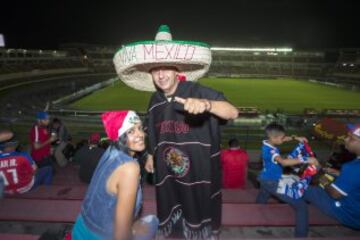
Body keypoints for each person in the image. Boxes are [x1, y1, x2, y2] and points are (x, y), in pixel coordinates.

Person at [114, 25, 238, 238]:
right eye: (155, 70)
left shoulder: (197, 90)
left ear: (177, 70)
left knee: (200, 226)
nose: (160, 75)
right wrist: (152, 154)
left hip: (200, 176)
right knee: (176, 226)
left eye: (165, 68)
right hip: (170, 177)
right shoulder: (154, 100)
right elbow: (154, 129)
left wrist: (207, 105)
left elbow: (232, 112)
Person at [72, 111, 158, 240]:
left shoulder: (111, 151)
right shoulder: (130, 168)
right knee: (154, 221)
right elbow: (121, 235)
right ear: (119, 136)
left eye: (140, 128)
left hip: (80, 228)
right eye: (131, 131)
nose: (140, 134)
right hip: (98, 236)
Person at [255, 122, 319, 237]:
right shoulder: (271, 151)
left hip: (264, 178)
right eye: (282, 138)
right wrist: (306, 159)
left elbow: (282, 139)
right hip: (272, 181)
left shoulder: (267, 142)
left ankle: (255, 215)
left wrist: (295, 138)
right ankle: (301, 236)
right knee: (301, 206)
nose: (284, 139)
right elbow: (284, 162)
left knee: (263, 196)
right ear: (274, 137)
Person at [304, 124, 360, 230]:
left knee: (302, 187)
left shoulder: (352, 167)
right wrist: (339, 173)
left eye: (352, 138)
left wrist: (319, 174)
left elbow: (335, 194)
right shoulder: (353, 168)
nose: (346, 139)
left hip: (351, 216)